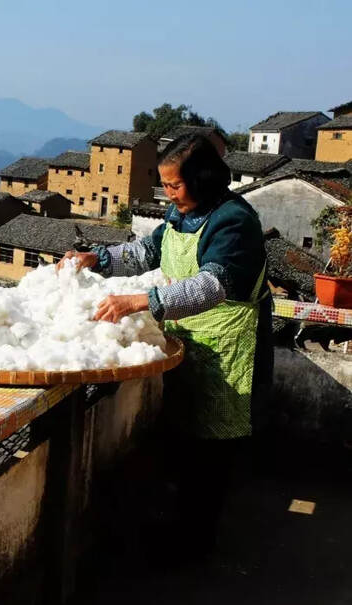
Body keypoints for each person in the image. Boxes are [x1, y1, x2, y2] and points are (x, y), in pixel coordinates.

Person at [58, 133, 273, 559]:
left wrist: (143, 300)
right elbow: (144, 253)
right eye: (167, 187)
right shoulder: (181, 216)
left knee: (211, 455)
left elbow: (214, 284)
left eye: (175, 186)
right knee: (187, 442)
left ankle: (195, 546)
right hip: (192, 343)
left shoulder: (232, 221)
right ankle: (181, 532)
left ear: (203, 179)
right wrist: (95, 259)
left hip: (230, 348)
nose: (169, 195)